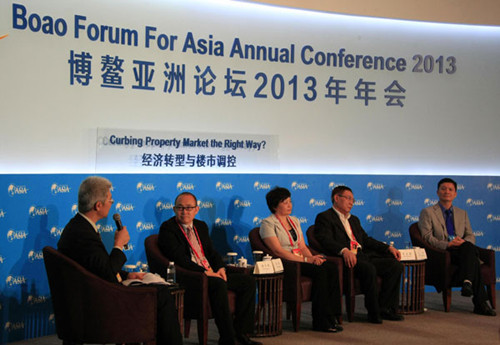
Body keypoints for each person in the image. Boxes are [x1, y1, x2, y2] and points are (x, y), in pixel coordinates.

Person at [57, 176, 183, 345]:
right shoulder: (83, 233)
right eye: (110, 200)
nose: (112, 204)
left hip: (93, 293)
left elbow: (96, 267)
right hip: (99, 302)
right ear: (98, 205)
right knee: (162, 293)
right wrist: (119, 244)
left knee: (154, 289)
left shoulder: (78, 226)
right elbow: (107, 272)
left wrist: (126, 275)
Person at [158, 192, 261, 345]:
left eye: (189, 208)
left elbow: (211, 252)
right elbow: (180, 259)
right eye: (180, 208)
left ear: (196, 209)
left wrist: (220, 268)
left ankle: (242, 333)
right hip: (190, 276)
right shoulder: (168, 228)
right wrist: (205, 272)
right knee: (218, 284)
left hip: (209, 272)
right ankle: (227, 338)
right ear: (174, 209)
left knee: (247, 281)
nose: (184, 212)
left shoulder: (201, 226)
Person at [314, 185, 404, 324]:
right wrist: (344, 250)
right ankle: (373, 312)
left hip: (363, 255)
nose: (351, 202)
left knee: (394, 266)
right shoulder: (325, 217)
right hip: (345, 259)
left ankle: (385, 308)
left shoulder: (353, 219)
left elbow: (366, 240)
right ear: (336, 198)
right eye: (348, 198)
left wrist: (387, 248)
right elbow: (325, 240)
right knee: (369, 269)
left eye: (353, 200)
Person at [259, 187, 343, 333]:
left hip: (301, 259)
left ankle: (333, 316)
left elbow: (302, 246)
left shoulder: (294, 221)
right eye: (285, 202)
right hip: (287, 263)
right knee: (321, 272)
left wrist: (312, 257)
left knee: (330, 267)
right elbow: (278, 251)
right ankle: (320, 321)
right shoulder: (268, 223)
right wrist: (306, 260)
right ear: (274, 205)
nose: (289, 205)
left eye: (290, 201)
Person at [418, 177, 496, 316]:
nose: (446, 192)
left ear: (455, 194)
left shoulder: (462, 213)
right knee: (473, 258)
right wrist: (448, 244)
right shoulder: (428, 212)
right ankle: (479, 301)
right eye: (443, 189)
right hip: (443, 252)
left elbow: (470, 235)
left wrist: (463, 242)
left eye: (450, 189)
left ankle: (468, 284)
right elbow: (427, 238)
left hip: (462, 250)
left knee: (468, 247)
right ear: (437, 192)